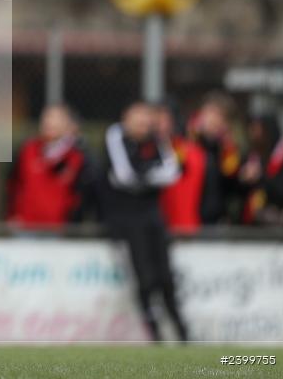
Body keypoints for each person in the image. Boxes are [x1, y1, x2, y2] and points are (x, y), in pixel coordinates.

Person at [100, 101, 189, 342]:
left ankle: (183, 334)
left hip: (153, 215)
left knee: (166, 278)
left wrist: (143, 176)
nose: (142, 122)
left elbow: (172, 173)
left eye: (146, 117)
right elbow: (124, 176)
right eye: (137, 116)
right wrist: (149, 174)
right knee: (146, 277)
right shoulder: (115, 136)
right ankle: (156, 335)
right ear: (125, 117)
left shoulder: (157, 140)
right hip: (128, 218)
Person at [8, 104, 90, 228]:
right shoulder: (27, 150)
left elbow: (80, 196)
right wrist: (11, 215)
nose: (49, 122)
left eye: (56, 118)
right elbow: (12, 185)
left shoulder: (77, 156)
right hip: (25, 225)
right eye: (46, 118)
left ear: (68, 124)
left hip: (59, 229)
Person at [188, 93, 240, 223]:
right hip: (189, 218)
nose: (213, 120)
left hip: (216, 218)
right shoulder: (186, 142)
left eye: (219, 116)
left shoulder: (226, 149)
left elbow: (231, 184)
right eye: (210, 114)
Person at [156, 102, 206, 234]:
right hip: (156, 228)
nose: (159, 126)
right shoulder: (145, 152)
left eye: (163, 120)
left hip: (185, 227)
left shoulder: (191, 153)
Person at [238, 115, 283, 226]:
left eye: (259, 130)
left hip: (278, 224)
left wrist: (261, 177)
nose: (255, 135)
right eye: (252, 129)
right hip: (249, 224)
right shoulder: (249, 157)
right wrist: (243, 179)